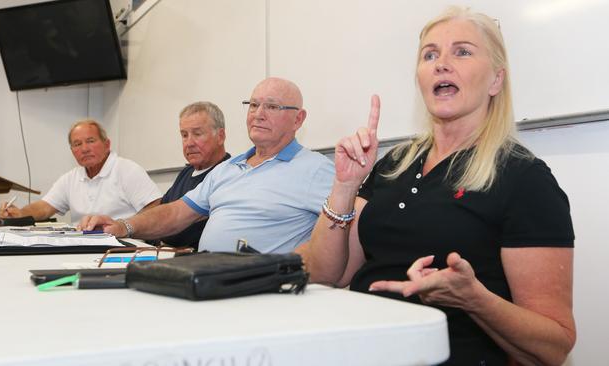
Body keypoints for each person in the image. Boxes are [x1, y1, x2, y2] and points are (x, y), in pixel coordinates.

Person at [297, 7, 575, 365]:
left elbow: (554, 346)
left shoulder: (525, 178)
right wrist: (345, 186)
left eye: (462, 51)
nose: (441, 64)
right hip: (360, 347)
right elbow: (327, 274)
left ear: (495, 80)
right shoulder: (394, 164)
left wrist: (473, 298)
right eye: (430, 54)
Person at [80, 77, 334, 253]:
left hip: (262, 289)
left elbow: (347, 233)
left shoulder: (317, 170)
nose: (258, 114)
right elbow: (176, 213)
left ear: (298, 119)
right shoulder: (228, 169)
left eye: (272, 106)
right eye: (254, 105)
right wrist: (124, 226)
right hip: (207, 277)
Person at [0, 119, 162, 224]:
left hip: (123, 246)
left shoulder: (127, 170)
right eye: (77, 144)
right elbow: (44, 207)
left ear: (107, 145)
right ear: (72, 150)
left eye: (90, 141)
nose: (84, 149)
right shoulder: (71, 178)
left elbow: (156, 208)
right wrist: (20, 213)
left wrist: (125, 226)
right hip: (83, 246)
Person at [158, 101, 230, 249]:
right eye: (184, 135)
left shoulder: (228, 174)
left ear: (220, 136)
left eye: (197, 134)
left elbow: (183, 233)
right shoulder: (186, 172)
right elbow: (162, 215)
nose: (189, 143)